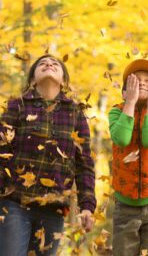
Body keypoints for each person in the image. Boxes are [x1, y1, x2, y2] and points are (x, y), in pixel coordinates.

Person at [0, 54, 96, 255]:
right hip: (15, 203)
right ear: (33, 79)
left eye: (55, 64)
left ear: (63, 81)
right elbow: (2, 150)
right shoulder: (17, 106)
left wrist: (87, 206)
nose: (49, 64)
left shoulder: (76, 113)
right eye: (42, 63)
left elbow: (84, 163)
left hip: (54, 209)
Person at [109, 59, 148, 256]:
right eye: (136, 80)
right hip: (125, 203)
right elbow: (121, 138)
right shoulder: (116, 111)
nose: (143, 83)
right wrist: (130, 102)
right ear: (124, 90)